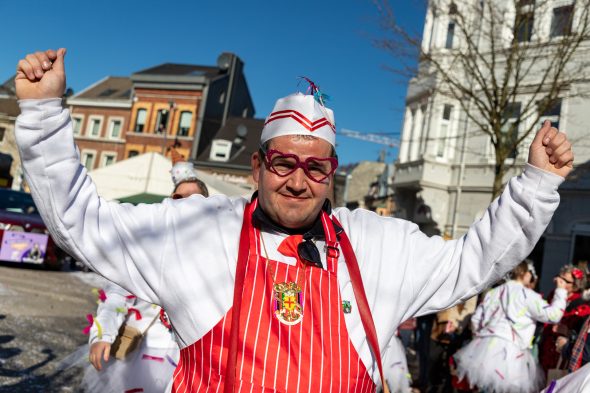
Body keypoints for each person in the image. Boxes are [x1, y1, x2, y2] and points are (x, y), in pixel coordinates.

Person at [15, 48, 573, 392]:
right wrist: (42, 116)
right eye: (283, 161)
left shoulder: (376, 245)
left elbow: (472, 262)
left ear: (331, 173)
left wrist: (534, 186)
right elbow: (83, 224)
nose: (297, 180)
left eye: (315, 166)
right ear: (258, 166)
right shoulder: (198, 231)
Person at [82, 152, 210, 393]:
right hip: (139, 357)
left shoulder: (217, 253)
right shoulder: (145, 247)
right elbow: (116, 297)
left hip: (190, 363)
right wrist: (103, 335)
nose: (184, 204)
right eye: (177, 197)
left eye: (193, 198)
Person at [453, 261, 567, 393]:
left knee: (485, 388)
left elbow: (476, 320)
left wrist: (481, 337)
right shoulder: (527, 295)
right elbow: (553, 315)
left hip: (485, 348)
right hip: (511, 352)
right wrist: (561, 291)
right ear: (524, 273)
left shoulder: (493, 293)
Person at [540, 265, 589, 374]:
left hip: (562, 356)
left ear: (576, 285)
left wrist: (567, 332)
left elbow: (581, 336)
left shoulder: (581, 303)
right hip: (546, 350)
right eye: (559, 278)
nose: (559, 282)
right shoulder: (554, 295)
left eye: (565, 280)